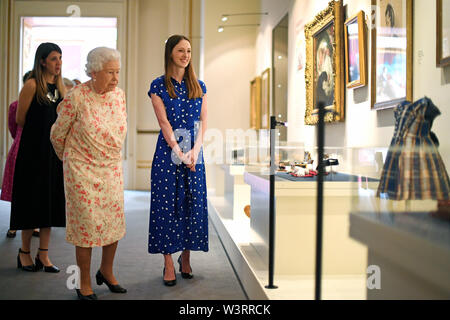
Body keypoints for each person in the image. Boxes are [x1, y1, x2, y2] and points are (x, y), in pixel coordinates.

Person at [50, 47, 127, 300]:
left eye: (117, 72)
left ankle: (106, 271)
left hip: (111, 169)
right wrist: (71, 161)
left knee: (113, 222)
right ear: (94, 72)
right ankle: (83, 282)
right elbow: (57, 134)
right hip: (81, 171)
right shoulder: (77, 96)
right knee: (85, 226)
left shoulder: (119, 96)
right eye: (110, 72)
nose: (116, 78)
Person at [147, 35, 208, 286]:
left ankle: (185, 257)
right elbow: (164, 124)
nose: (186, 55)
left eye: (189, 51)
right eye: (181, 50)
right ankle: (168, 262)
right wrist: (180, 153)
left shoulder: (199, 86)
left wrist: (195, 150)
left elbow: (203, 123)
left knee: (191, 206)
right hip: (168, 154)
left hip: (194, 153)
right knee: (166, 207)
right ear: (170, 53)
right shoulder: (158, 86)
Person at [10, 42, 66, 274]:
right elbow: (20, 119)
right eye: (54, 58)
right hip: (32, 153)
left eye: (60, 58)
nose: (58, 63)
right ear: (42, 61)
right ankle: (24, 252)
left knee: (49, 203)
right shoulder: (32, 85)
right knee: (31, 202)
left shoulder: (61, 89)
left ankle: (43, 253)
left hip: (53, 155)